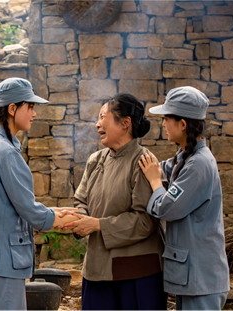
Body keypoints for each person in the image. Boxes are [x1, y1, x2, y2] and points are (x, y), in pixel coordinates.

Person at [0, 78, 79, 310]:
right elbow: (29, 211)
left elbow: (13, 205)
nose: (34, 114)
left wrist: (54, 211)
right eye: (31, 107)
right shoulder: (5, 152)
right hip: (0, 258)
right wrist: (74, 220)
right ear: (12, 108)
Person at [61, 94, 167, 310]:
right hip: (98, 269)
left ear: (125, 123)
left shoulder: (145, 162)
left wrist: (98, 224)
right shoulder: (95, 160)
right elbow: (81, 199)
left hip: (138, 274)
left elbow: (146, 221)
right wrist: (79, 219)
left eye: (102, 117)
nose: (97, 124)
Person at [139, 86, 229, 310]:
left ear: (183, 124)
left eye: (166, 118)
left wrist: (154, 182)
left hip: (202, 279)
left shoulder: (198, 164)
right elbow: (163, 169)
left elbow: (167, 208)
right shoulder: (185, 157)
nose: (163, 124)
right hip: (193, 278)